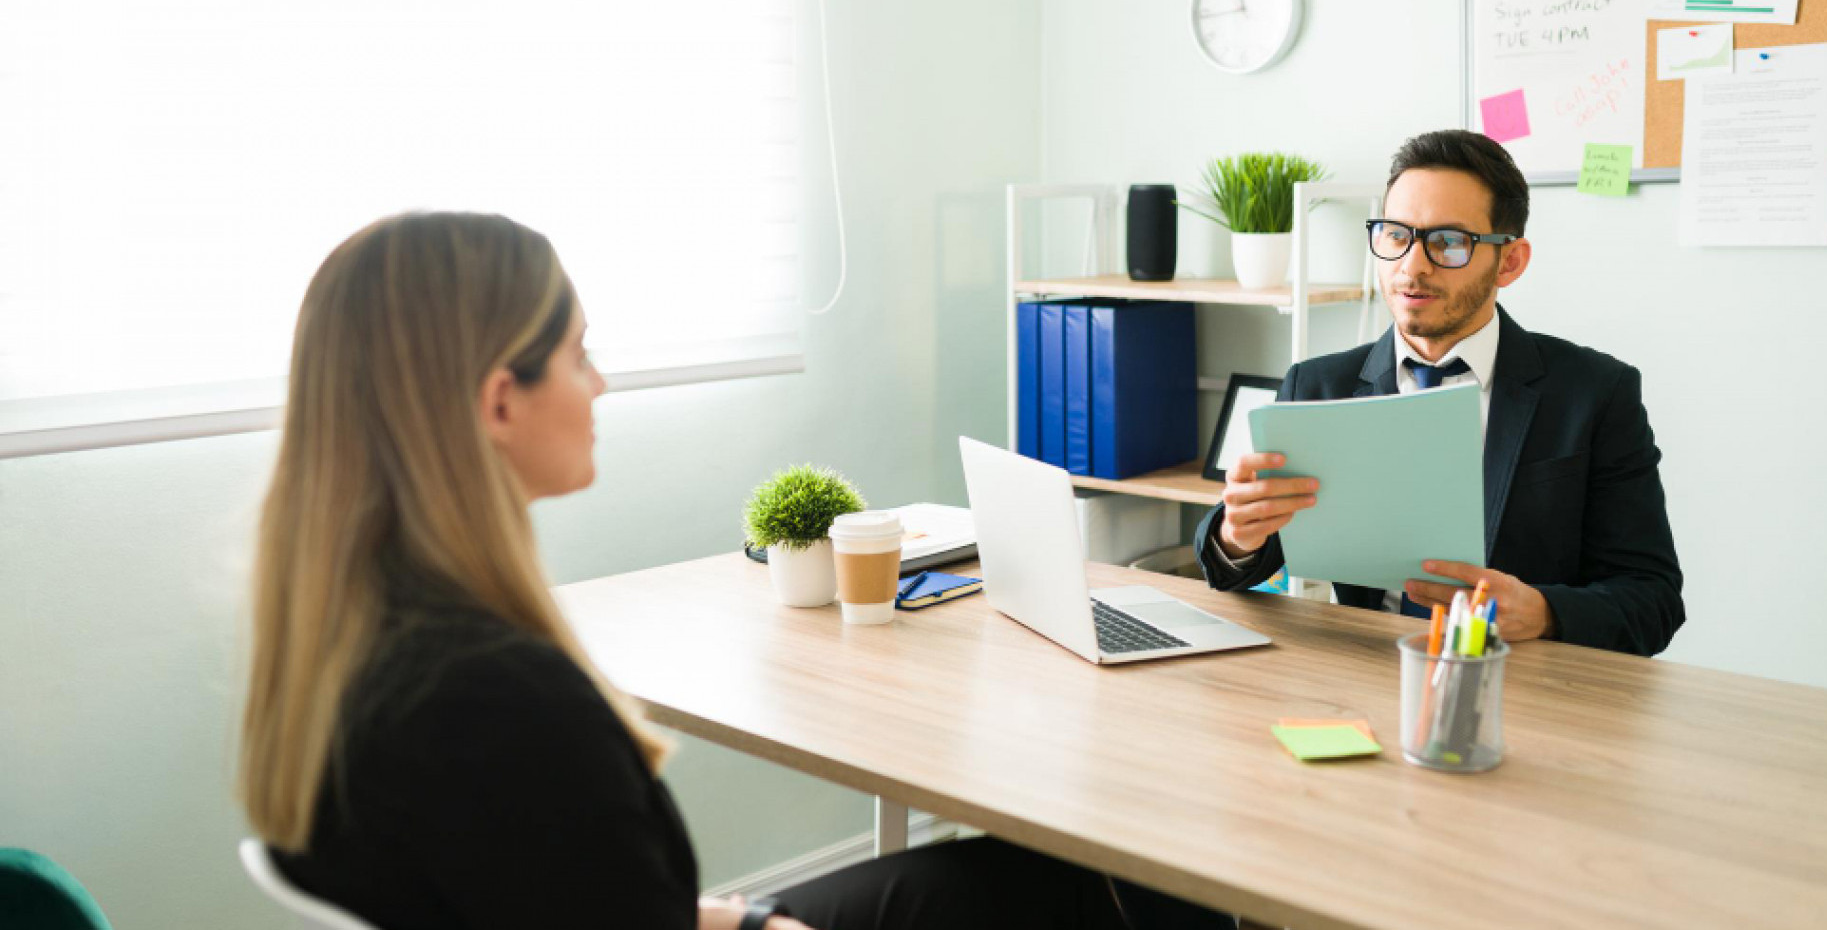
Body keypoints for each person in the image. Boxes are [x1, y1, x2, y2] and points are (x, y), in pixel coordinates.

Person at [239, 212, 1229, 930]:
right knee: (1109, 890)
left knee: (1025, 878)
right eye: (579, 353)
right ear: (501, 399)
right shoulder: (500, 695)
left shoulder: (349, 629)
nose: (599, 382)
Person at [1196, 130, 1684, 656]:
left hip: (1521, 685)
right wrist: (1237, 535)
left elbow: (1653, 600)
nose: (1412, 266)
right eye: (1394, 235)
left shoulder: (1596, 392)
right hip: (1360, 671)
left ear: (1511, 261)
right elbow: (1235, 567)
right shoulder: (1317, 385)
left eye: (1448, 241)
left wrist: (1542, 612)